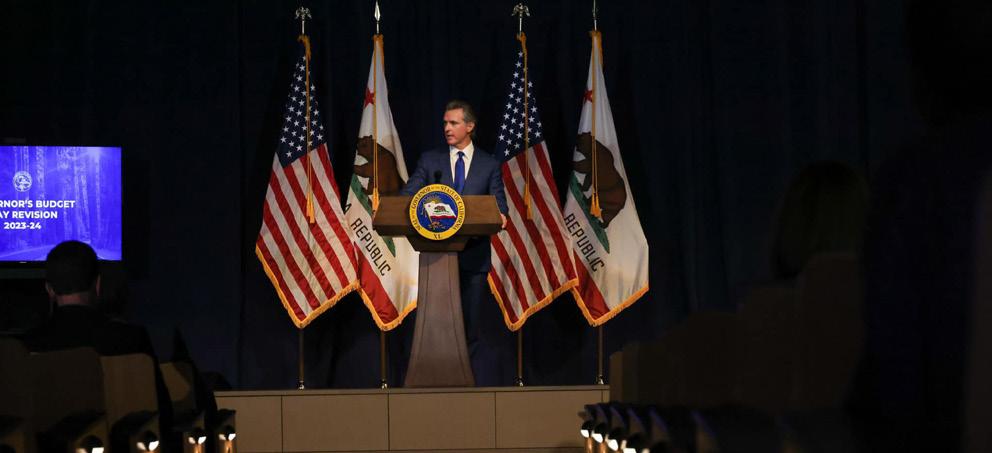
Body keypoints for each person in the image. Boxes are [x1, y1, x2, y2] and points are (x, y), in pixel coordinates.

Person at [402, 100, 510, 384]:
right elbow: (408, 197)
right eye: (445, 123)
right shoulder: (430, 161)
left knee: (469, 326)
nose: (447, 128)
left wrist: (500, 216)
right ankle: (432, 381)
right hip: (436, 260)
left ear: (470, 126)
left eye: (453, 123)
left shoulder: (488, 164)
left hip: (474, 259)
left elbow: (500, 209)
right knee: (437, 325)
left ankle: (465, 385)